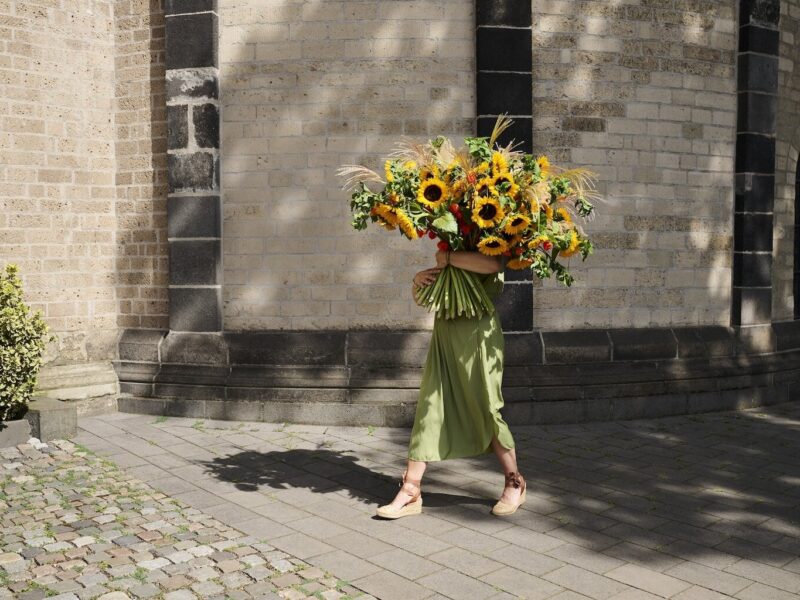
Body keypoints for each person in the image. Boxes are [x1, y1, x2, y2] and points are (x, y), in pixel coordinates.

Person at [375, 248, 526, 519]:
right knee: (429, 407)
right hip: (445, 334)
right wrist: (418, 281)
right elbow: (428, 295)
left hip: (478, 337)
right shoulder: (451, 243)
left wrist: (447, 258)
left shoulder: (491, 240)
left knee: (486, 408)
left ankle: (514, 482)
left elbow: (493, 265)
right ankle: (411, 490)